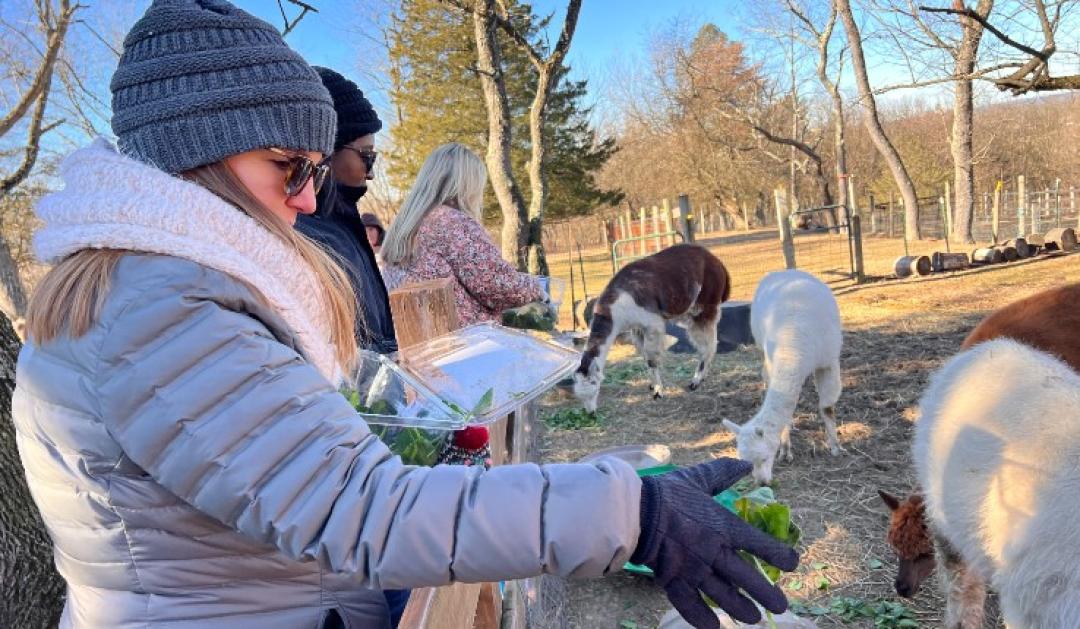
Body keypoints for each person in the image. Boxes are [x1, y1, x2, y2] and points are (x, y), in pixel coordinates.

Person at [13, 2, 798, 629]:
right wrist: (631, 510)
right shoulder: (160, 313)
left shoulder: (157, 292)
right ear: (200, 152)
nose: (308, 200)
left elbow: (285, 446)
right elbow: (359, 508)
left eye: (317, 171)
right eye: (289, 168)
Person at [380, 143, 546, 325]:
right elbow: (497, 284)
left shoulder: (405, 226)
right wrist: (538, 288)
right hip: (464, 338)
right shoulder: (450, 221)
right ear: (467, 185)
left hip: (420, 334)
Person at [296, 67, 397, 354]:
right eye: (367, 156)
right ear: (325, 151)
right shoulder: (310, 232)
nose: (371, 173)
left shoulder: (341, 221)